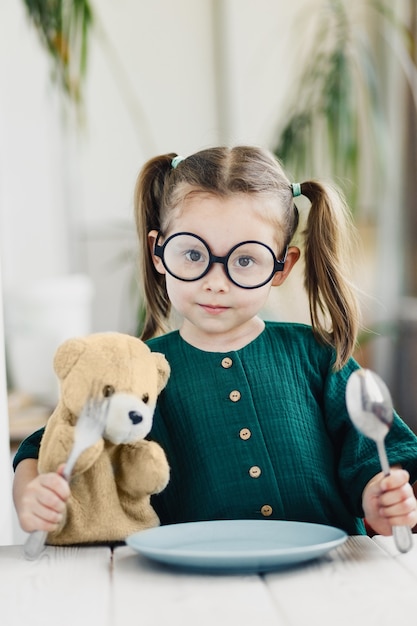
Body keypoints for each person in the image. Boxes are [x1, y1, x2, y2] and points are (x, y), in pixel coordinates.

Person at [12, 146, 417, 538]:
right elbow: (43, 445)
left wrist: (380, 502)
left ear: (281, 267)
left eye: (245, 260)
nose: (215, 282)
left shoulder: (316, 355)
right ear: (158, 253)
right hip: (189, 585)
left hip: (327, 576)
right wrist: (32, 495)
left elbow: (373, 457)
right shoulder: (135, 370)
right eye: (192, 254)